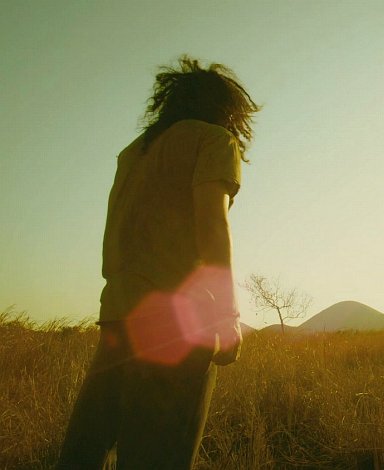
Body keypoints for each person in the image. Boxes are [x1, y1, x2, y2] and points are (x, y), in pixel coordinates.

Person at [57, 55, 259, 469]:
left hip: (118, 316)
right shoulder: (215, 139)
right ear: (227, 109)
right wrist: (228, 316)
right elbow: (212, 225)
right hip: (181, 325)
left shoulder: (134, 153)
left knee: (82, 455)